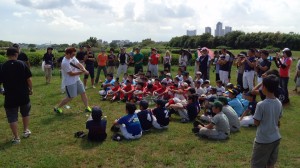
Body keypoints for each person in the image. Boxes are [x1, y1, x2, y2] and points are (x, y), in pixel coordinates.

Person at [0, 47, 33, 144]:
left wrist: (1, 90)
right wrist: (31, 89)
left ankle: (16, 137)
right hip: (23, 94)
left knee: (12, 117)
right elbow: (29, 79)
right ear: (16, 54)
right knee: (25, 113)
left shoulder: (3, 66)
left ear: (7, 55)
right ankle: (26, 130)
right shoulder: (22, 64)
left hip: (10, 96)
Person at [251, 75, 283, 168]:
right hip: (276, 137)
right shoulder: (278, 102)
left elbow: (256, 122)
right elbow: (278, 120)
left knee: (257, 164)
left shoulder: (261, 104)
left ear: (264, 87)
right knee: (270, 164)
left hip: (263, 140)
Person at [54, 47, 91, 114]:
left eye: (74, 54)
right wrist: (82, 72)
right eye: (73, 54)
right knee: (70, 97)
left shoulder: (72, 57)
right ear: (68, 54)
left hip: (77, 79)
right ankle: (57, 108)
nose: (74, 56)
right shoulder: (65, 63)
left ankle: (87, 107)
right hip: (70, 82)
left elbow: (78, 64)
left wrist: (84, 69)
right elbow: (71, 74)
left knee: (83, 92)